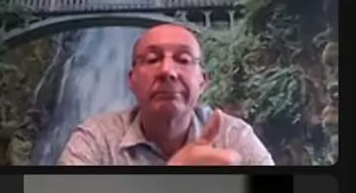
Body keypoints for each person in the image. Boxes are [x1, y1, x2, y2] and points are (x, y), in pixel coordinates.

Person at [57, 23, 274, 166]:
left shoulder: (233, 137)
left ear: (202, 81)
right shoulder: (97, 138)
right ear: (131, 80)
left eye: (183, 59)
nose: (167, 71)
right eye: (152, 59)